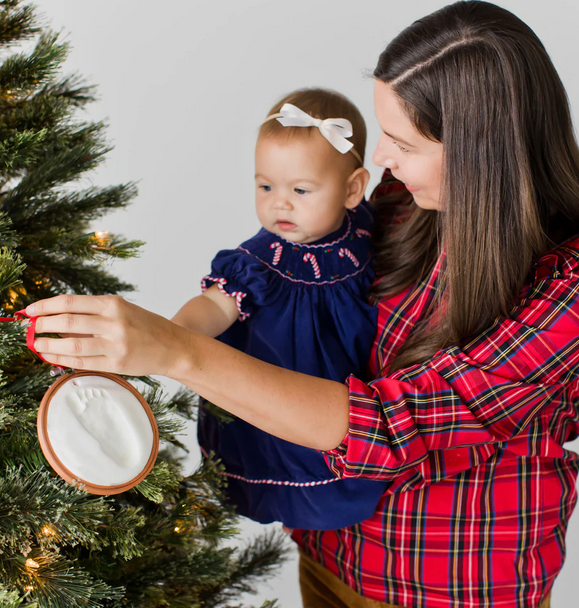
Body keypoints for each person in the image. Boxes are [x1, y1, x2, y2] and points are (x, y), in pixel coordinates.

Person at [23, 1, 579, 607]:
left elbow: (388, 427)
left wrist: (177, 352)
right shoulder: (404, 202)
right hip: (330, 550)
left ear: (482, 152)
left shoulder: (566, 291)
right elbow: (290, 271)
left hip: (450, 585)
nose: (383, 161)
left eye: (402, 142)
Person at [171, 87, 387, 531]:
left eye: (301, 189)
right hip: (284, 396)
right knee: (293, 460)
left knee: (351, 458)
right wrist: (174, 333)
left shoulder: (366, 231)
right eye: (265, 185)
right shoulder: (259, 261)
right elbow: (216, 305)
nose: (279, 202)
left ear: (353, 189)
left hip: (350, 404)